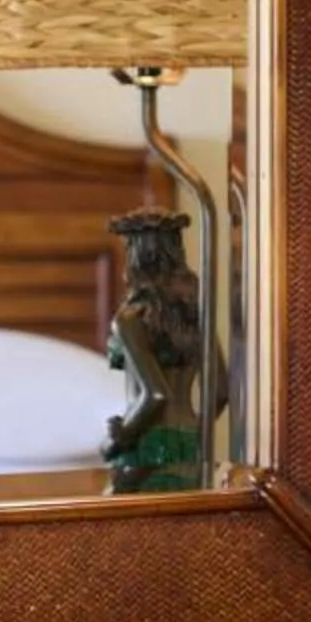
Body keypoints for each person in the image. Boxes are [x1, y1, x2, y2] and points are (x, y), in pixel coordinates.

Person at [101, 208, 202, 493]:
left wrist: (118, 439)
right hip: (191, 440)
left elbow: (156, 395)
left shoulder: (131, 318)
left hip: (147, 443)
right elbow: (220, 392)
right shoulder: (196, 315)